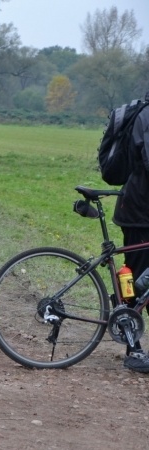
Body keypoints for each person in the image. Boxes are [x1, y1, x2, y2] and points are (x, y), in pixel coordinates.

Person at [113, 97, 149, 372]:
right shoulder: (147, 116)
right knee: (136, 281)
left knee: (143, 281)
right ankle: (133, 350)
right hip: (139, 212)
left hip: (141, 208)